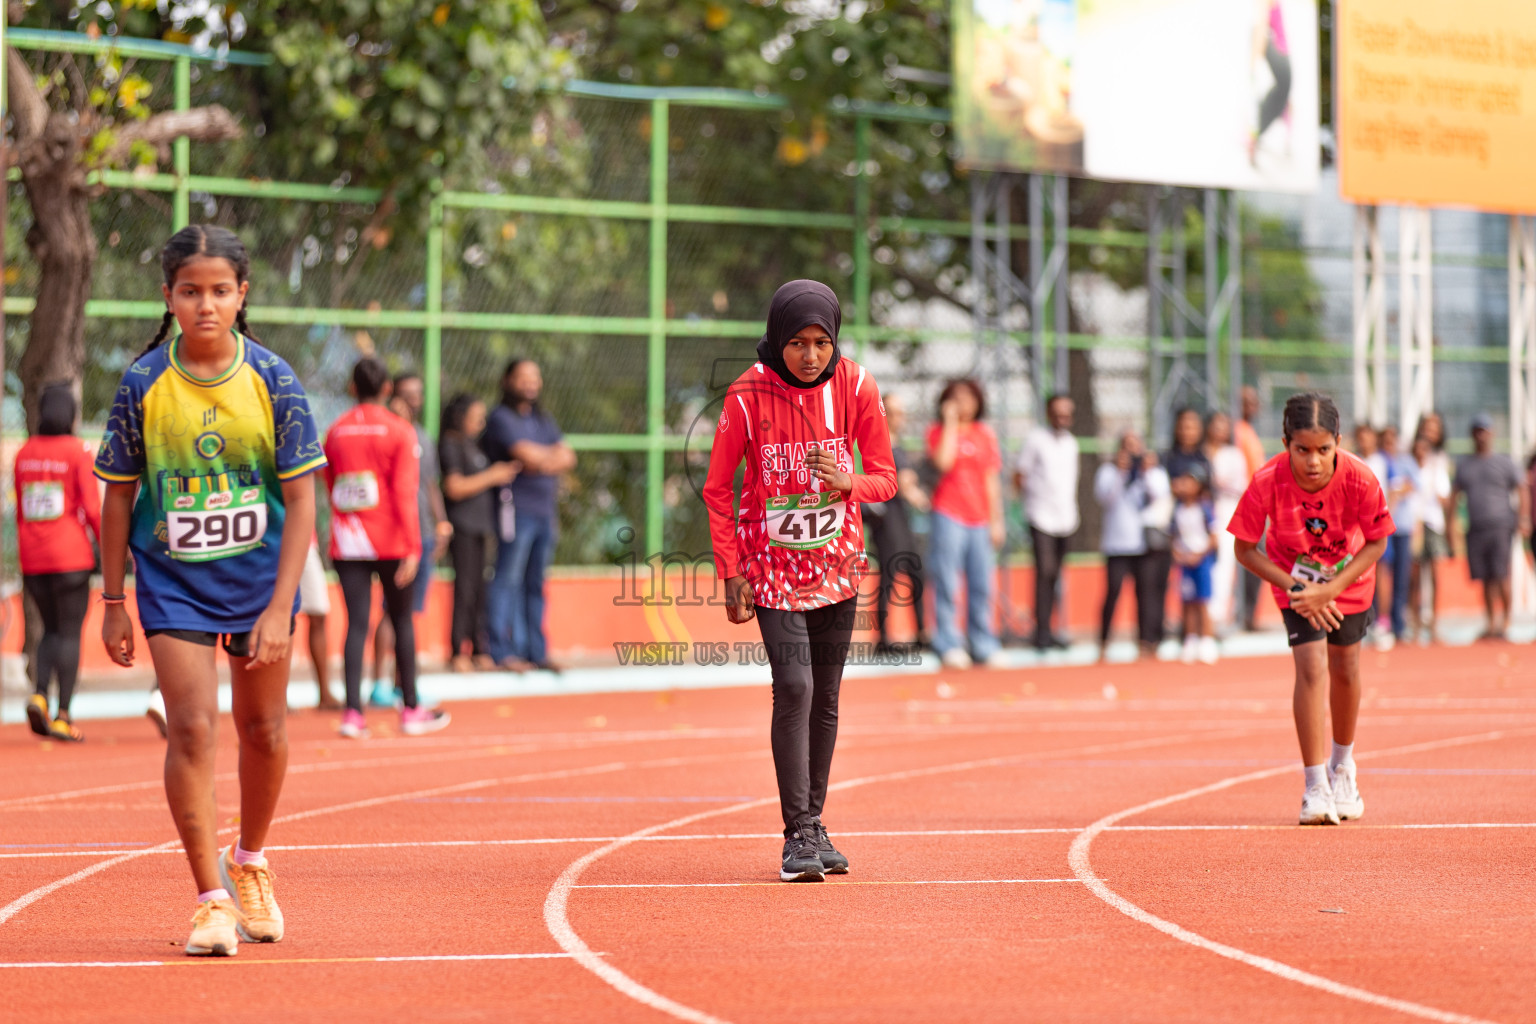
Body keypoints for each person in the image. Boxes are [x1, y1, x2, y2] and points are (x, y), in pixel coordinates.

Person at [97, 225, 326, 956]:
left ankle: (251, 860)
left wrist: (280, 605)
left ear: (242, 295)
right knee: (192, 728)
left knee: (263, 731)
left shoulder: (273, 380)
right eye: (190, 291)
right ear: (167, 296)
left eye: (220, 291)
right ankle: (208, 899)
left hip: (260, 580)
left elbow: (303, 501)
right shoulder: (142, 384)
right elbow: (115, 498)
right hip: (173, 585)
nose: (205, 305)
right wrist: (111, 601)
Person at [702, 279, 896, 882]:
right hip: (771, 568)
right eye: (796, 343)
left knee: (828, 698)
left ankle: (814, 823)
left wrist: (847, 483)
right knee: (795, 688)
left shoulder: (857, 386)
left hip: (837, 567)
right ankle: (797, 834)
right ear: (776, 340)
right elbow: (716, 488)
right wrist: (730, 570)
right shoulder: (746, 395)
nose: (810, 355)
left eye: (820, 342)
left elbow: (886, 477)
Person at [1229, 393, 1393, 826]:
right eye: (1302, 450)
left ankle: (1344, 769)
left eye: (1324, 449)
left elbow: (1378, 540)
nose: (1314, 461)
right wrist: (1299, 588)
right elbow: (1244, 549)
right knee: (1310, 667)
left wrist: (1331, 588)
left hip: (1349, 580)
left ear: (1338, 442)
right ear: (1286, 443)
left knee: (1345, 667)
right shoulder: (1267, 480)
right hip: (1295, 582)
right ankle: (1315, 783)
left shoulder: (1360, 478)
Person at [323, 357, 449, 738]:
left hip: (348, 541)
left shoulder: (336, 431)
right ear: (388, 389)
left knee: (356, 625)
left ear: (351, 388)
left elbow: (329, 481)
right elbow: (405, 493)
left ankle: (352, 715)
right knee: (401, 621)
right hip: (393, 541)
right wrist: (413, 546)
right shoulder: (400, 430)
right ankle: (410, 710)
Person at [16, 383, 101, 742]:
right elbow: (93, 508)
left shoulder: (24, 453)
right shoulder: (77, 451)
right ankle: (64, 716)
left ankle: (39, 693)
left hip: (32, 559)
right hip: (70, 558)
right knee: (69, 632)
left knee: (48, 629)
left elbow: (21, 508)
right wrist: (112, 547)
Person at [481, 359, 575, 672]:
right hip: (515, 512)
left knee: (535, 583)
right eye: (523, 377)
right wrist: (547, 457)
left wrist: (542, 460)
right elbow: (526, 454)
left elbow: (568, 456)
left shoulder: (543, 419)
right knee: (507, 579)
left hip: (545, 513)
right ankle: (502, 650)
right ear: (507, 380)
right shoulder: (500, 417)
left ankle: (535, 651)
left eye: (535, 377)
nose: (530, 383)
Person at [368, 371, 452, 704]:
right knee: (391, 611)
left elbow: (430, 483)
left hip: (424, 533)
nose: (411, 400)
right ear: (391, 396)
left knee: (409, 614)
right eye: (405, 394)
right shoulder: (383, 435)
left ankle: (404, 684)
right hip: (395, 535)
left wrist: (441, 522)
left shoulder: (423, 437)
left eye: (417, 394)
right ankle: (378, 684)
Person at [927, 379, 1005, 669]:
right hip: (948, 513)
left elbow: (991, 480)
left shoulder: (985, 434)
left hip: (980, 519)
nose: (964, 403)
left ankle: (983, 643)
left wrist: (997, 521)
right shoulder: (937, 432)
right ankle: (948, 642)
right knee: (947, 581)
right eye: (957, 398)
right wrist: (949, 421)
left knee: (982, 584)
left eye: (969, 397)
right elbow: (944, 462)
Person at [440, 393, 519, 672]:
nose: (481, 421)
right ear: (462, 416)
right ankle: (456, 650)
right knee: (464, 588)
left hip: (482, 527)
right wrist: (493, 476)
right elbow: (454, 487)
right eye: (476, 416)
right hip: (462, 525)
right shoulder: (451, 443)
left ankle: (478, 647)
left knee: (480, 589)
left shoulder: (478, 446)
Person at [1452, 414, 1530, 641]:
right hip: (1476, 527)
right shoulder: (1465, 465)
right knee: (1485, 576)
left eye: (1485, 431)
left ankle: (1506, 621)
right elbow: (1455, 495)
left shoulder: (1504, 462)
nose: (1481, 436)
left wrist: (1523, 518)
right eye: (1477, 431)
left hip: (1501, 525)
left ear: (1492, 433)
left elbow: (1522, 488)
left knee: (1501, 573)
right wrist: (1451, 525)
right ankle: (1490, 622)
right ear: (1472, 435)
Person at [862, 392, 929, 654]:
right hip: (886, 520)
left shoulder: (897, 445)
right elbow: (900, 482)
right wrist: (916, 494)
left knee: (915, 573)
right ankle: (884, 639)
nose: (898, 418)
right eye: (893, 411)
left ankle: (922, 632)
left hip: (901, 518)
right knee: (890, 576)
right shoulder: (878, 444)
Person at [1093, 430, 1167, 661]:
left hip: (1144, 544)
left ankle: (1145, 642)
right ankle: (1104, 641)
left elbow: (1159, 496)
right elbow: (1105, 498)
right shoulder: (1108, 471)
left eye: (1136, 447)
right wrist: (1121, 471)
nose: (1132, 452)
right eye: (1127, 447)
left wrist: (1145, 471)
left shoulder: (1151, 471)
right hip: (1116, 544)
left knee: (1145, 594)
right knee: (1113, 591)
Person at [1014, 394, 1079, 651]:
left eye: (1067, 413)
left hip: (1066, 518)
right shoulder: (1035, 440)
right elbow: (1020, 474)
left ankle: (1052, 628)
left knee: (1056, 575)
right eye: (1058, 412)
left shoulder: (1071, 443)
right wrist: (1027, 504)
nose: (1063, 418)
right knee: (1045, 572)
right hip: (1041, 516)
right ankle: (1040, 632)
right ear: (1049, 413)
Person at [1152, 408, 1211, 645]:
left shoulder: (1203, 459)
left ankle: (1201, 635)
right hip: (1169, 529)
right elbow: (1157, 488)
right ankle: (1164, 633)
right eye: (1184, 425)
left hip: (1196, 536)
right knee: (1166, 586)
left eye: (1193, 425)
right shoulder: (1167, 458)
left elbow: (1209, 494)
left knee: (1201, 594)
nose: (1188, 430)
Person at [1205, 410, 1249, 632]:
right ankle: (1200, 614)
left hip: (1224, 509)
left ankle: (1218, 615)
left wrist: (1216, 482)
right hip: (1201, 512)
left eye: (1223, 425)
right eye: (1215, 424)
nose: (1219, 429)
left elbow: (1241, 485)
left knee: (1223, 562)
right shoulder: (1201, 452)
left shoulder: (1233, 454)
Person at [1173, 466, 1219, 665]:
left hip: (1202, 561)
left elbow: (1214, 538)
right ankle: (1190, 640)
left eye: (1190, 481)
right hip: (1185, 562)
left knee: (1202, 602)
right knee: (1188, 602)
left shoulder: (1205, 508)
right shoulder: (1178, 510)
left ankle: (1207, 640)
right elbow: (1173, 537)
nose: (1185, 485)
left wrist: (1199, 554)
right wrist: (1179, 554)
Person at [1376, 425, 1417, 649]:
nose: (1389, 444)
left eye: (1393, 439)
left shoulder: (1403, 462)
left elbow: (1409, 486)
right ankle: (1381, 621)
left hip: (1402, 527)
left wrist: (1396, 494)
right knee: (1380, 574)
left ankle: (1399, 623)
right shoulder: (1378, 461)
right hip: (1382, 529)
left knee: (1401, 578)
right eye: (1386, 439)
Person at [1233, 386, 1267, 631]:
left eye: (1253, 402)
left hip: (1258, 504)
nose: (1251, 406)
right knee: (1246, 560)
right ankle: (1241, 615)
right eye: (1246, 402)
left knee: (1257, 561)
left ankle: (1248, 614)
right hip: (1243, 506)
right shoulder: (1236, 432)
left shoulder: (1250, 431)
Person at [296, 539, 340, 709]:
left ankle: (324, 694)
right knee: (283, 618)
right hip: (274, 543)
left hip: (306, 542)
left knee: (319, 612)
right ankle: (279, 698)